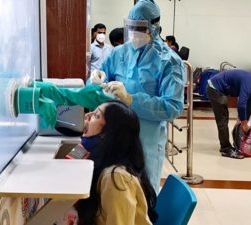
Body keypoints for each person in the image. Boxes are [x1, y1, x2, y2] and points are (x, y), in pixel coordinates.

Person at [87, 0, 185, 193]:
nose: (134, 33)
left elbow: (173, 106)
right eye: (131, 27)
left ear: (154, 27)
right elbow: (97, 84)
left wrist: (132, 100)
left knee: (142, 197)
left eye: (139, 28)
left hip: (145, 141)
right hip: (113, 137)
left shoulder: (169, 61)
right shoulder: (119, 52)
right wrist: (95, 78)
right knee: (112, 192)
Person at [76, 100, 158, 225]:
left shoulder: (116, 178)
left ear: (108, 133)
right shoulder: (102, 159)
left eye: (96, 116)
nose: (87, 116)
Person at [206, 69, 251, 159]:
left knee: (227, 117)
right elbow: (241, 104)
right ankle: (225, 149)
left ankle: (236, 142)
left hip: (220, 88)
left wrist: (243, 119)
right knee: (222, 118)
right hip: (215, 88)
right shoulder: (249, 82)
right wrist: (244, 122)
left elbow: (249, 104)